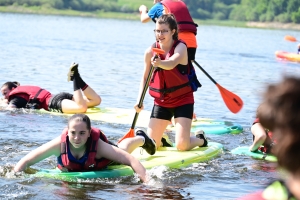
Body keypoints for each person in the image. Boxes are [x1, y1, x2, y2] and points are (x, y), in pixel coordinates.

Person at [134, 14, 207, 151]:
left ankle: (200, 140)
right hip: (162, 102)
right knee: (151, 145)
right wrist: (139, 100)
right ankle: (162, 140)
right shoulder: (150, 51)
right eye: (157, 31)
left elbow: (172, 63)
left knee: (181, 146)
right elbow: (145, 78)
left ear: (173, 31)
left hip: (183, 101)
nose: (160, 34)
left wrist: (160, 62)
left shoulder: (181, 47)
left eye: (164, 31)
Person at [14, 113, 157, 183]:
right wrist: (15, 176)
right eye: (73, 133)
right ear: (67, 131)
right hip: (84, 165)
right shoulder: (59, 145)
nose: (77, 138)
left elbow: (131, 160)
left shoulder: (98, 147)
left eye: (82, 133)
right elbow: (26, 161)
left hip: (103, 158)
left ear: (89, 133)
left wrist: (149, 183)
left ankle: (141, 138)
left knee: (123, 149)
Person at [238, 76, 300, 200]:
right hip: (281, 157)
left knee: (254, 168)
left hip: (269, 159)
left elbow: (260, 136)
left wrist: (251, 149)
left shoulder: (257, 124)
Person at [1, 62, 101, 114]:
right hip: (58, 97)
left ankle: (75, 77)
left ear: (13, 89)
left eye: (5, 93)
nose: (5, 96)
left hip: (53, 103)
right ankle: (78, 79)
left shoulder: (15, 99)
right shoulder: (21, 92)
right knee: (96, 100)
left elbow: (11, 109)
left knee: (81, 108)